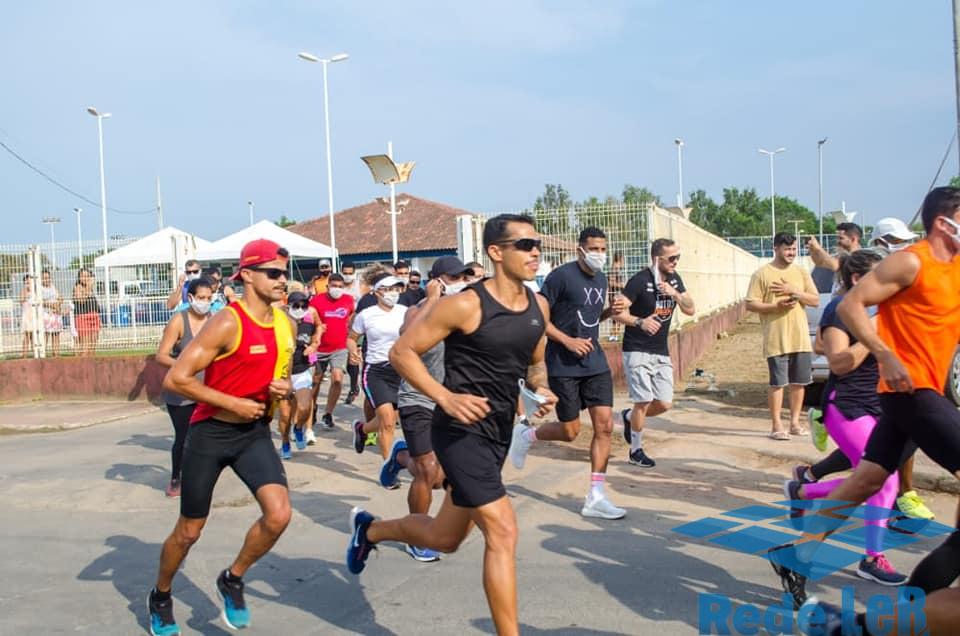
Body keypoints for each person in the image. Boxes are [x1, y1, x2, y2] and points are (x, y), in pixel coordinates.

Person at [346, 214, 557, 636]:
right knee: (503, 530)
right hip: (459, 433)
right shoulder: (465, 304)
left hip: (497, 431)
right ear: (496, 253)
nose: (535, 252)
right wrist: (445, 397)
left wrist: (541, 391)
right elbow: (402, 353)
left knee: (445, 538)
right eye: (525, 245)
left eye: (537, 244)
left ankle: (370, 530)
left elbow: (535, 364)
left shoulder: (539, 306)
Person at [147, 239, 295, 635]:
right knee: (189, 531)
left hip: (253, 433)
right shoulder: (227, 321)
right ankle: (161, 595)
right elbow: (176, 378)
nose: (284, 280)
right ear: (247, 275)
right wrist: (232, 400)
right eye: (274, 273)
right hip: (210, 434)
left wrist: (280, 390)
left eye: (285, 272)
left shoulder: (285, 323)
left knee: (279, 515)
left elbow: (278, 376)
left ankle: (232, 577)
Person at [806, 187, 960, 545]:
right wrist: (883, 352)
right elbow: (847, 312)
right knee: (880, 482)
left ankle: (798, 552)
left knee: (869, 480)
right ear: (943, 223)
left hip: (911, 391)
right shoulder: (910, 262)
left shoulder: (953, 270)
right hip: (900, 390)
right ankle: (940, 576)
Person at [781, 249, 908, 586]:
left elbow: (820, 344)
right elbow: (836, 361)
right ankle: (871, 558)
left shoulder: (874, 309)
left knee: (872, 478)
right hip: (846, 406)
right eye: (881, 277)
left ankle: (803, 492)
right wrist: (873, 335)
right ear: (858, 280)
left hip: (877, 405)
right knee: (883, 480)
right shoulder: (841, 310)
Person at [507, 227, 627, 519]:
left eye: (602, 248)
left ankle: (596, 496)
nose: (599, 254)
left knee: (605, 427)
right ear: (580, 249)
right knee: (571, 432)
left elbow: (589, 318)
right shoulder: (560, 277)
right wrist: (567, 341)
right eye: (594, 249)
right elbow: (538, 317)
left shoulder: (600, 279)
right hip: (563, 364)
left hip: (595, 362)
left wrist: (609, 312)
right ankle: (526, 434)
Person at [379, 256, 474, 562]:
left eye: (463, 277)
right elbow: (407, 337)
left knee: (438, 478)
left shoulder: (467, 312)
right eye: (452, 277)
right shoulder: (417, 310)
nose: (459, 282)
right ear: (435, 280)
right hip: (417, 398)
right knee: (428, 471)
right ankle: (416, 536)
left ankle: (400, 455)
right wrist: (432, 299)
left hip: (452, 401)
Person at [615, 238, 696, 466]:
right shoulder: (640, 281)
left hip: (661, 350)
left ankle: (629, 418)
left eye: (678, 257)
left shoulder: (674, 280)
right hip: (637, 350)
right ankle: (636, 450)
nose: (675, 262)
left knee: (664, 403)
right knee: (643, 400)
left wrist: (675, 294)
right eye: (671, 258)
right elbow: (616, 312)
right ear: (656, 259)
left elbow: (691, 309)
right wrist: (639, 322)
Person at [745, 232, 819, 440]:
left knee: (799, 382)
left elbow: (814, 300)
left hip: (800, 338)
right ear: (776, 249)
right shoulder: (762, 274)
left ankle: (795, 422)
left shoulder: (801, 273)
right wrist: (775, 306)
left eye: (794, 249)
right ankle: (777, 425)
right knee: (778, 383)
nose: (791, 253)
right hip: (776, 338)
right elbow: (750, 303)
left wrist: (794, 291)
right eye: (787, 249)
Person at [155, 278, 214, 498]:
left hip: (206, 389)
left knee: (205, 436)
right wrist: (184, 365)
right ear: (190, 298)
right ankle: (176, 477)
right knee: (185, 436)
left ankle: (199, 477)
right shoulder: (178, 321)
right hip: (180, 390)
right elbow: (161, 356)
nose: (205, 302)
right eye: (201, 298)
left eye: (209, 298)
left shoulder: (214, 320)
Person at [348, 274, 407, 465]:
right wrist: (353, 352)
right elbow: (352, 337)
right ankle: (388, 467)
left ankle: (362, 430)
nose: (394, 293)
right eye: (389, 289)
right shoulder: (366, 314)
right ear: (378, 292)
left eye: (397, 289)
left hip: (401, 369)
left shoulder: (406, 312)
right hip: (376, 371)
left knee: (390, 418)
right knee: (388, 421)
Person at [308, 273, 354, 436]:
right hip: (319, 349)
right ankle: (311, 410)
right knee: (315, 382)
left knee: (337, 379)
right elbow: (309, 320)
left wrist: (353, 339)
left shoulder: (348, 300)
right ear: (327, 286)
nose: (337, 289)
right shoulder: (316, 301)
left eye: (340, 287)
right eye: (334, 286)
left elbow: (352, 317)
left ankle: (328, 413)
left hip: (339, 347)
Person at [277, 291, 320, 459]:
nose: (300, 309)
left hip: (301, 370)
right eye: (296, 306)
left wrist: (314, 344)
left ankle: (299, 427)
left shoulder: (308, 323)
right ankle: (285, 442)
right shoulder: (279, 323)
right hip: (282, 374)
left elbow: (318, 327)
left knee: (304, 406)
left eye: (304, 306)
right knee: (285, 415)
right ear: (289, 306)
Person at [339, 262, 363, 404]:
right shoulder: (338, 287)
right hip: (340, 326)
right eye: (345, 273)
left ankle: (353, 388)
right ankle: (354, 384)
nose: (347, 276)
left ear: (354, 273)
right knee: (346, 360)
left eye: (350, 273)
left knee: (352, 357)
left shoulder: (360, 287)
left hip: (356, 326)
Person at [73, 268, 100, 357]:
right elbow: (81, 301)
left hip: (93, 316)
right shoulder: (78, 287)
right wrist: (88, 288)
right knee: (85, 348)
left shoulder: (90, 288)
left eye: (87, 276)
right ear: (79, 278)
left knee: (92, 348)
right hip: (82, 317)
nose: (85, 278)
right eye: (83, 276)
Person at [607, 251, 625, 342]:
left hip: (618, 294)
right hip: (614, 295)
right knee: (616, 315)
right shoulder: (614, 269)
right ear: (620, 259)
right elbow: (610, 282)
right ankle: (613, 335)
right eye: (623, 259)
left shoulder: (618, 269)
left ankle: (616, 335)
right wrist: (621, 285)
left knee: (619, 314)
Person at [20, 274, 36, 358]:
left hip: (34, 316)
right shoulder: (24, 292)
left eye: (29, 281)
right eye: (26, 281)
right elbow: (21, 300)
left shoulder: (35, 292)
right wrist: (26, 290)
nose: (28, 282)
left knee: (34, 337)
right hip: (27, 316)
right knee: (26, 336)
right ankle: (24, 356)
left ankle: (35, 354)